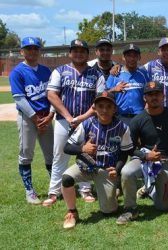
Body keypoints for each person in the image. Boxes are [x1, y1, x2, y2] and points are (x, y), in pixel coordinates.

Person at [44, 39, 105, 207]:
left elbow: (99, 99)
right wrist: (70, 117)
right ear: (70, 53)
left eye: (82, 51)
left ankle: (85, 189)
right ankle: (54, 191)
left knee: (86, 155)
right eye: (75, 50)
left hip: (88, 122)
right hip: (64, 121)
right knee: (59, 156)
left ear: (87, 54)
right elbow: (52, 95)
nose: (78, 53)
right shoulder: (60, 71)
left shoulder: (96, 74)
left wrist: (83, 118)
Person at [61, 91, 133, 229]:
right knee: (66, 178)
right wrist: (83, 148)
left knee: (108, 211)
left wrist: (117, 169)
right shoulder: (86, 124)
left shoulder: (123, 127)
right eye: (100, 106)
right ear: (94, 107)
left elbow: (125, 153)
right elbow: (67, 147)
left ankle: (113, 194)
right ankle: (72, 212)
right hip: (85, 166)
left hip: (106, 170)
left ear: (114, 109)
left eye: (108, 106)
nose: (104, 110)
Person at [117, 81, 168, 225]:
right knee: (127, 172)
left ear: (163, 96)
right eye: (150, 94)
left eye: (157, 94)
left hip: (167, 162)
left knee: (163, 207)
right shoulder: (138, 120)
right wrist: (145, 156)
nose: (154, 97)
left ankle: (149, 188)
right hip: (145, 160)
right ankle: (130, 208)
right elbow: (129, 148)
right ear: (144, 98)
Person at [9, 36, 54, 204]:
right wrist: (36, 119)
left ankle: (54, 188)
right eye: (28, 49)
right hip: (28, 118)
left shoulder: (46, 71)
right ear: (22, 52)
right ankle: (29, 191)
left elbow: (52, 95)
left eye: (35, 48)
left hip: (46, 117)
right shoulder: (17, 72)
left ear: (40, 51)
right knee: (26, 155)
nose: (32, 51)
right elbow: (19, 99)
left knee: (51, 154)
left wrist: (49, 116)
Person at [106, 44, 149, 125]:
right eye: (128, 56)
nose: (132, 59)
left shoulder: (144, 74)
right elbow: (105, 93)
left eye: (135, 56)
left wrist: (147, 106)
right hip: (120, 116)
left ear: (139, 57)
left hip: (139, 115)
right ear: (123, 57)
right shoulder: (115, 74)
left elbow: (150, 92)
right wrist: (114, 89)